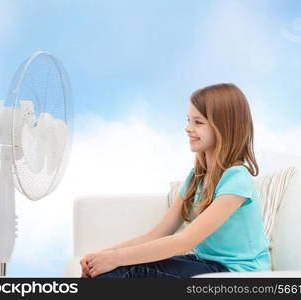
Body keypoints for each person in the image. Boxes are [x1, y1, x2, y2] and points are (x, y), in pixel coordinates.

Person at [80, 83, 271, 278]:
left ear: (224, 126)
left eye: (198, 122)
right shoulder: (197, 177)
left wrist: (117, 259)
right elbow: (156, 234)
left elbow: (185, 241)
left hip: (236, 273)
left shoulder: (237, 178)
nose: (188, 128)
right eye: (189, 120)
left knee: (120, 271)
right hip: (205, 263)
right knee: (107, 269)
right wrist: (104, 255)